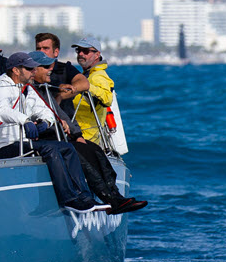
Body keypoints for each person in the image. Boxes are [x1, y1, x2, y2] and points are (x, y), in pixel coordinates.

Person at [26, 49, 147, 214]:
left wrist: (77, 135)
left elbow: (60, 114)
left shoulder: (43, 89)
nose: (50, 69)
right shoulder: (27, 91)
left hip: (60, 135)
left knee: (94, 149)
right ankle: (110, 199)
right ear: (33, 70)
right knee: (79, 153)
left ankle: (115, 196)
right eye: (45, 66)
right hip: (46, 137)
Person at [0, 51, 101, 213]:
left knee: (66, 147)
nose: (34, 71)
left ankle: (85, 197)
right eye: (29, 69)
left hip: (22, 144)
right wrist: (25, 121)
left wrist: (45, 123)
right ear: (16, 70)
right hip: (1, 149)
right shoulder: (0, 86)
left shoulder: (27, 88)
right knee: (50, 149)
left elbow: (44, 110)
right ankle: (68, 199)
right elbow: (2, 110)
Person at [34, 32, 85, 118]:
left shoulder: (65, 68)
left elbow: (84, 84)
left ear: (56, 52)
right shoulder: (30, 70)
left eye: (46, 48)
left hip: (64, 121)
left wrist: (60, 96)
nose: (41, 52)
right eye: (38, 49)